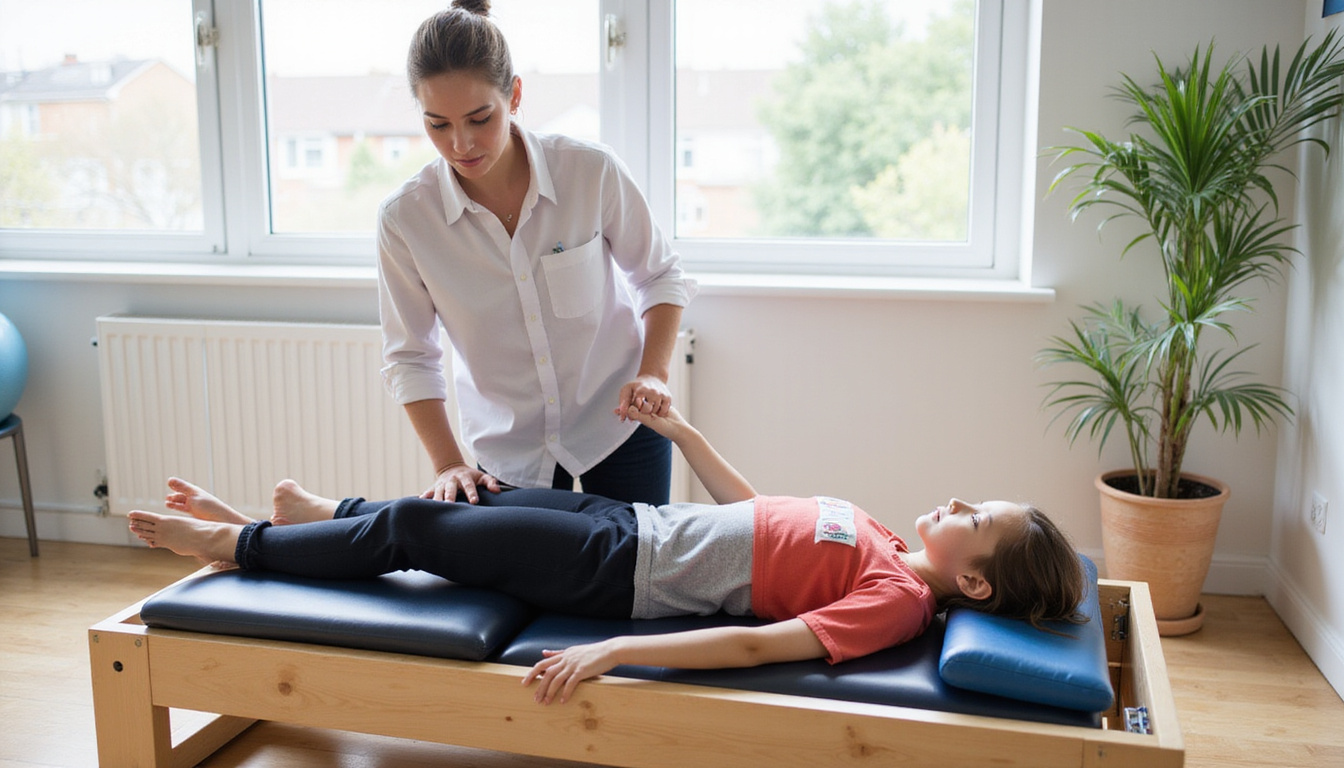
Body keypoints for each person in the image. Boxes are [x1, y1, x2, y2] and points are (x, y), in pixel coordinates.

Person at [127, 406, 1086, 706]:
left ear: (974, 579)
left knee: (423, 530)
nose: (958, 501)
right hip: (631, 522)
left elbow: (764, 644)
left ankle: (236, 543)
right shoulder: (880, 538)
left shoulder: (897, 603)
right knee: (477, 494)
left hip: (619, 575)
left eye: (976, 516)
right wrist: (684, 432)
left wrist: (619, 652)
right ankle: (318, 519)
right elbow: (757, 515)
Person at [378, 0, 697, 506]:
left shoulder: (590, 172)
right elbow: (411, 355)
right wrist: (447, 463)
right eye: (438, 125)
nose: (461, 144)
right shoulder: (406, 220)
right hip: (508, 451)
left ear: (515, 95)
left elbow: (659, 276)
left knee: (640, 557)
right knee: (526, 563)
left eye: (480, 118)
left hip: (619, 424)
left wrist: (653, 373)